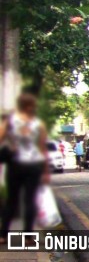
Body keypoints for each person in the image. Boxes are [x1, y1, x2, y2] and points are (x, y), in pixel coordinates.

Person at [0, 93, 49, 244]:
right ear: (29, 106)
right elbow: (42, 148)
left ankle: (3, 235)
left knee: (11, 200)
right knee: (30, 200)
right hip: (34, 166)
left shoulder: (10, 122)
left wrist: (12, 144)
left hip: (16, 165)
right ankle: (28, 237)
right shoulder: (38, 124)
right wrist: (46, 170)